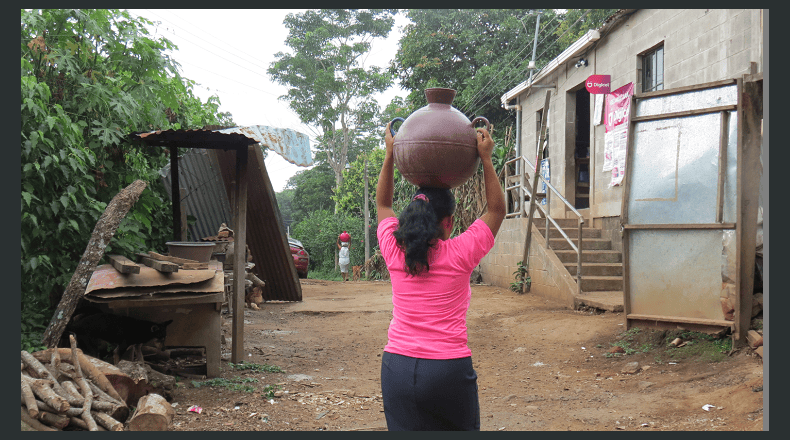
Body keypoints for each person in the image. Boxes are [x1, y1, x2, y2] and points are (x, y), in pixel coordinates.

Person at [375, 121, 505, 431]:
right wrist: (486, 158)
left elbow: (382, 204)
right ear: (448, 223)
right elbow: (497, 210)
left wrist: (391, 153)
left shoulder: (395, 250)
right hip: (447, 370)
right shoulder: (460, 254)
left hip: (397, 367)